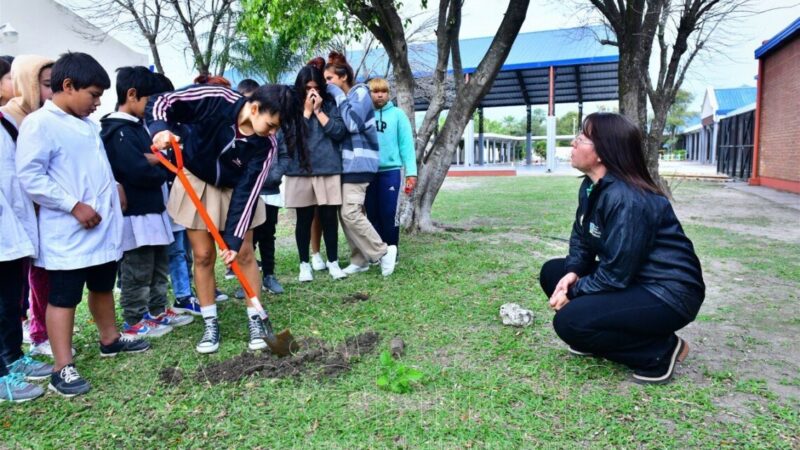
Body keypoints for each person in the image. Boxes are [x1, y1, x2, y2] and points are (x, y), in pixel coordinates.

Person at [16, 52, 151, 397]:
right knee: (64, 297)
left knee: (103, 285)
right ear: (67, 86)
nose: (97, 102)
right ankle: (63, 367)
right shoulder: (40, 124)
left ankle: (110, 338)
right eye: (93, 94)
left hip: (101, 226)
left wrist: (115, 186)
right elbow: (30, 176)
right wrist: (72, 205)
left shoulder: (89, 124)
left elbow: (94, 166)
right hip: (69, 230)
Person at [539, 112, 705, 385]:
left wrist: (575, 292)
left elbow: (615, 274)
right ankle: (596, 332)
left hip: (668, 293)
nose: (573, 143)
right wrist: (571, 273)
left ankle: (659, 352)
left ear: (603, 152)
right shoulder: (592, 187)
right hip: (633, 279)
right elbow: (581, 237)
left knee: (568, 323)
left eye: (581, 138)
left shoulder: (628, 199)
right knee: (553, 273)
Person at [146, 82, 304, 354]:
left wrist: (232, 240)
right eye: (272, 124)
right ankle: (210, 322)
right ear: (254, 108)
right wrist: (161, 130)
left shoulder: (264, 146)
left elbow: (248, 192)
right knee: (203, 255)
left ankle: (256, 319)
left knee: (243, 253)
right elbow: (160, 102)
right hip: (196, 178)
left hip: (234, 190)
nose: (273, 132)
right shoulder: (216, 98)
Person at [101, 67, 194, 338]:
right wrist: (154, 163)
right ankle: (134, 318)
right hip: (136, 214)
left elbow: (161, 163)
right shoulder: (117, 132)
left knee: (158, 265)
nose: (154, 110)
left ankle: (157, 309)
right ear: (132, 95)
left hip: (155, 209)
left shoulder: (139, 129)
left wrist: (154, 161)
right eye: (149, 102)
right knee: (138, 269)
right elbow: (135, 168)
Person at [0, 55, 55, 403]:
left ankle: (12, 357)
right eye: (7, 76)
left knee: (9, 300)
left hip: (12, 226)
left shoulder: (6, 123)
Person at [323, 52, 397, 277]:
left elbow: (353, 124)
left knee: (351, 213)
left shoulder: (360, 92)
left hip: (360, 162)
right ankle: (360, 259)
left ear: (343, 77)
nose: (328, 84)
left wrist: (337, 95)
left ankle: (383, 251)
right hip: (346, 164)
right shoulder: (346, 98)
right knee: (347, 214)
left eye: (330, 79)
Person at [285, 57, 348, 282]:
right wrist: (306, 112)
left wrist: (320, 111)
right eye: (307, 88)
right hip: (299, 170)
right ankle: (304, 264)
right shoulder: (291, 107)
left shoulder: (330, 103)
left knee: (329, 218)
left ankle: (333, 262)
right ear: (300, 87)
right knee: (304, 219)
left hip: (328, 167)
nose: (312, 92)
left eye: (316, 88)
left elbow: (339, 132)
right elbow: (289, 140)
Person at [233, 78, 290, 297]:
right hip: (248, 192)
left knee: (268, 234)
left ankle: (269, 275)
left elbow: (284, 156)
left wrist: (272, 176)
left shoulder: (275, 127)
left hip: (269, 192)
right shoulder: (240, 130)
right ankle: (245, 280)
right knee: (248, 239)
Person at [366, 77, 417, 247]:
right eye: (375, 91)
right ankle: (378, 252)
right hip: (368, 172)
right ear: (369, 93)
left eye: (384, 91)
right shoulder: (364, 115)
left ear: (389, 94)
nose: (380, 95)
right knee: (372, 214)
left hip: (391, 172)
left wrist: (411, 173)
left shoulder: (398, 115)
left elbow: (407, 146)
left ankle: (392, 251)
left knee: (388, 213)